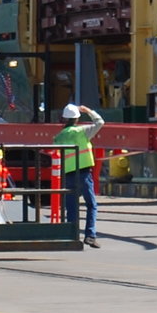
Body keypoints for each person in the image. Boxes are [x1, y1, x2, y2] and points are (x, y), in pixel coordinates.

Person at [54, 103, 104, 246]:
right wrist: (88, 110)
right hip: (83, 173)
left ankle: (71, 236)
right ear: (77, 118)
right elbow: (100, 122)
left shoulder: (59, 137)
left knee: (71, 206)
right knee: (91, 205)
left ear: (64, 118)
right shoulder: (83, 131)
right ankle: (90, 236)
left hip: (68, 175)